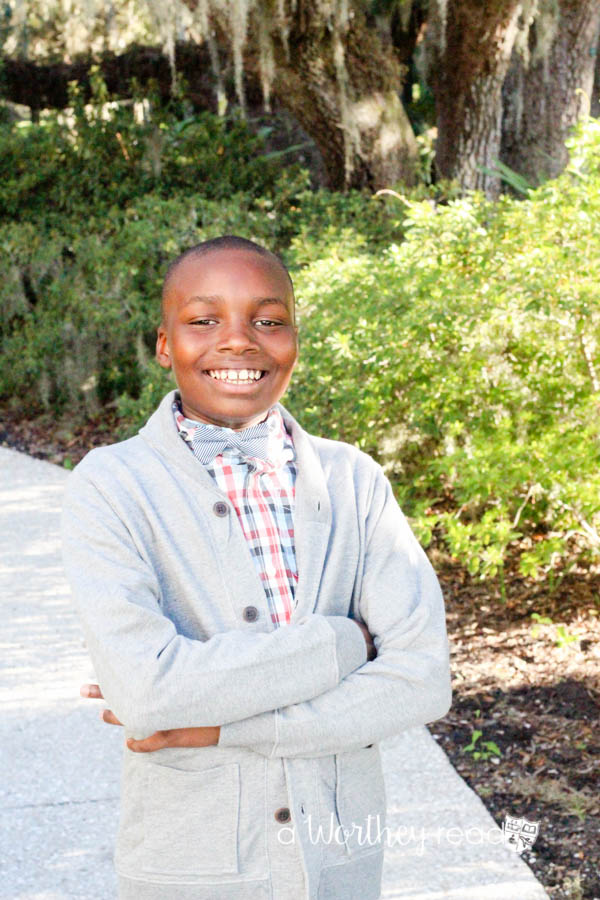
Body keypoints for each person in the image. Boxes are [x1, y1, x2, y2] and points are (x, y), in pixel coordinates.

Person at [61, 235, 452, 900]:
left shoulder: (353, 480)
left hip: (338, 863)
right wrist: (345, 643)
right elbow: (148, 693)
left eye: (268, 321)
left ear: (295, 340)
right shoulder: (112, 484)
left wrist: (225, 724)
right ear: (164, 345)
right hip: (187, 866)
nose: (238, 342)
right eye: (204, 320)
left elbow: (422, 679)